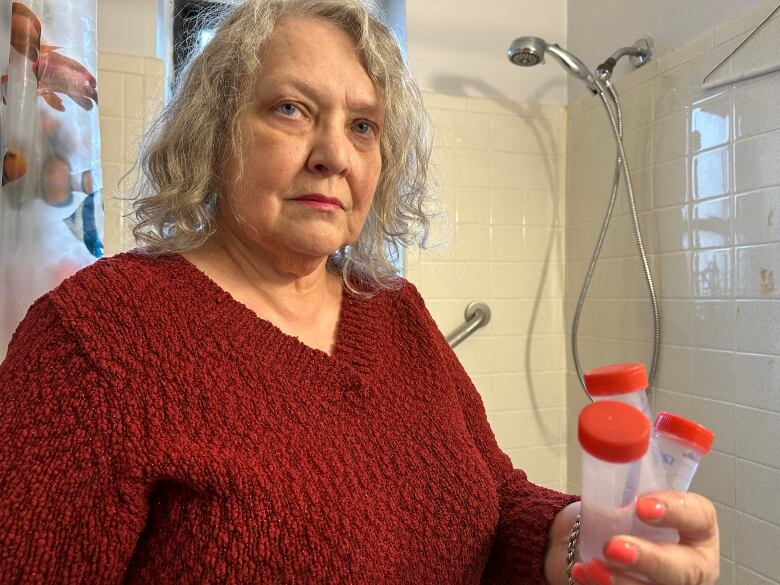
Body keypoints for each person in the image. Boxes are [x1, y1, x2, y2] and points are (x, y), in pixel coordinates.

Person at [0, 0, 719, 583]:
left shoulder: (394, 311)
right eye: (290, 109)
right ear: (214, 133)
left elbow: (496, 499)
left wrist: (587, 536)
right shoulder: (93, 337)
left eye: (364, 126)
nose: (335, 155)